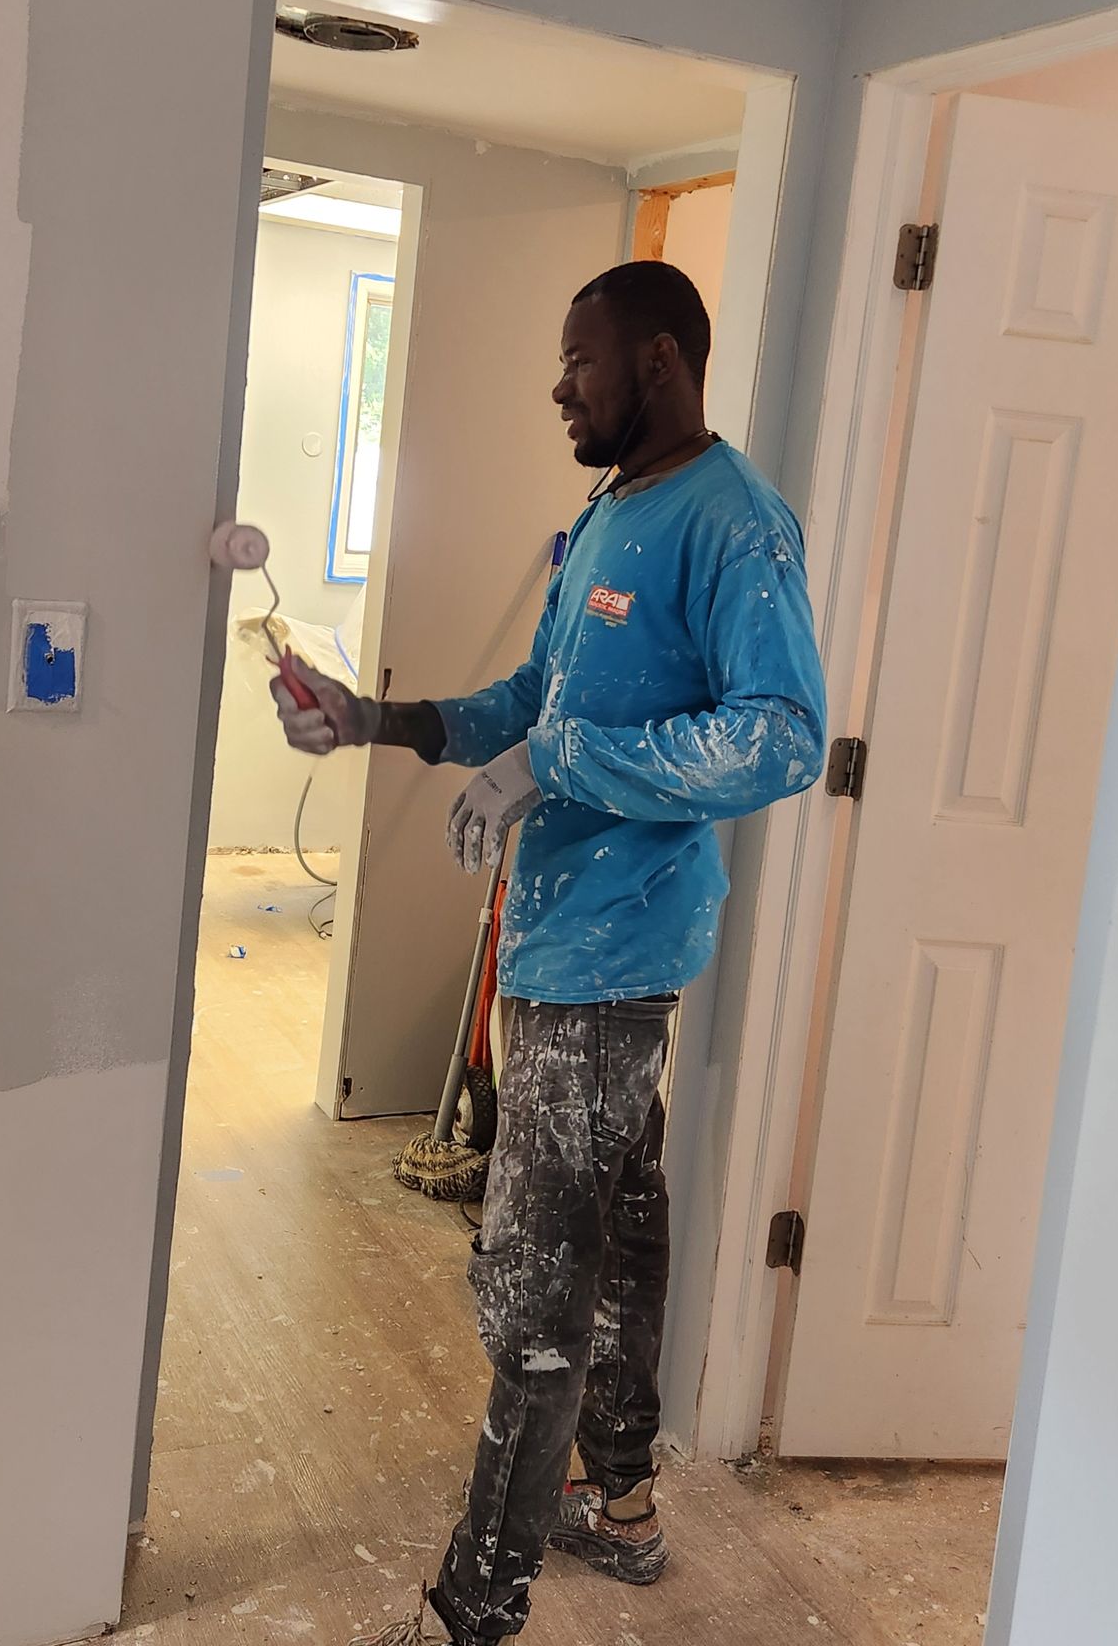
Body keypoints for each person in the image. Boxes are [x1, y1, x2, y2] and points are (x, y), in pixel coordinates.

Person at [271, 260, 827, 1646]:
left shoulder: (735, 524)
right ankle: (621, 1506)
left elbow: (780, 737)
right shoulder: (609, 512)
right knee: (619, 1236)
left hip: (614, 954)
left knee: (532, 1286)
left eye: (580, 360)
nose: (559, 387)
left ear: (657, 359)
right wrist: (375, 721)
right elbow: (533, 697)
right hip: (560, 938)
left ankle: (475, 1606)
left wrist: (559, 762)